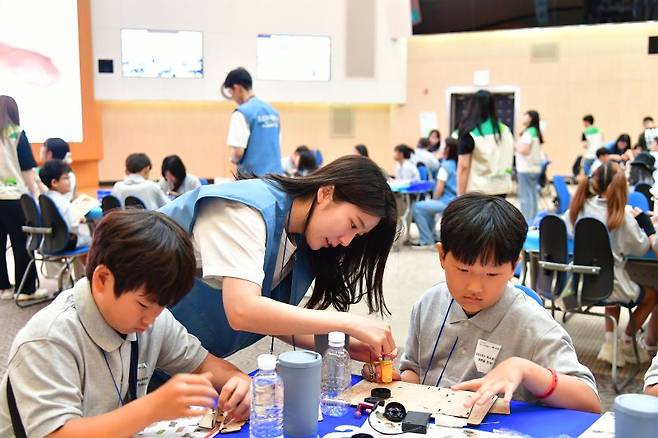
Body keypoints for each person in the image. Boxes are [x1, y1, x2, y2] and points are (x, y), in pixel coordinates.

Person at [0, 211, 251, 437]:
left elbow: (204, 364)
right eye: (143, 305)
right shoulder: (48, 339)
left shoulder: (152, 319)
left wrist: (239, 382)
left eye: (162, 306)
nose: (151, 319)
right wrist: (152, 408)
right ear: (102, 279)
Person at [362, 194, 600, 413]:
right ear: (442, 256)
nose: (474, 287)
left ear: (513, 267)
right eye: (463, 270)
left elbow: (590, 401)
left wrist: (525, 370)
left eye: (492, 274)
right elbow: (415, 370)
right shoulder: (429, 303)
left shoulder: (532, 324)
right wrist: (396, 382)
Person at [160, 156, 398, 362]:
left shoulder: (303, 239)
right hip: (138, 349)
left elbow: (276, 320)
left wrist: (350, 348)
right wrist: (348, 323)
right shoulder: (244, 212)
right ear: (326, 192)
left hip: (182, 360)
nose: (347, 241)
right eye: (353, 224)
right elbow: (243, 310)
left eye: (358, 235)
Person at [565, 162, 656, 366]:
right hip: (612, 285)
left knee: (610, 291)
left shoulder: (579, 207)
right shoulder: (622, 216)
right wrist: (644, 223)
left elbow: (567, 229)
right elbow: (641, 248)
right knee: (652, 295)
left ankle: (609, 343)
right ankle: (627, 340)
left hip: (582, 284)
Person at [0, 95, 47, 301]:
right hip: (15, 198)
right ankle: (26, 290)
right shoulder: (16, 133)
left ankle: (3, 289)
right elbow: (27, 168)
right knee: (22, 242)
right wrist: (35, 195)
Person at [222, 67, 282, 176]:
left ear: (237, 88)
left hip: (252, 181)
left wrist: (233, 159)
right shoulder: (273, 112)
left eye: (231, 92)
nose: (232, 98)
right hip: (277, 180)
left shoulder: (241, 113)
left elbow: (238, 152)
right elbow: (276, 145)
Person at [457, 90, 514, 197]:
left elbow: (463, 166)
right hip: (502, 187)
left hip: (478, 192)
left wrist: (460, 196)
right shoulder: (505, 130)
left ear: (473, 106)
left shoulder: (469, 132)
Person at [411, 138, 458, 248]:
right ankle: (433, 236)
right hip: (456, 200)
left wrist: (434, 199)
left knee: (417, 207)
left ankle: (426, 240)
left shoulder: (444, 166)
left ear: (447, 149)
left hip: (445, 201)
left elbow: (439, 189)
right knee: (427, 208)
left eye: (443, 146)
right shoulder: (457, 164)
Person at [39, 160, 91, 249]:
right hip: (65, 242)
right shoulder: (63, 203)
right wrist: (82, 222)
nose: (70, 181)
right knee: (93, 234)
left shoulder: (44, 198)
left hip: (48, 242)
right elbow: (73, 227)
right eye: (66, 178)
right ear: (54, 183)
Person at [515, 110, 544, 221]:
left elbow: (525, 150)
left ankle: (527, 221)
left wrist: (515, 145)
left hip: (526, 168)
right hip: (534, 168)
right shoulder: (535, 131)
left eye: (525, 116)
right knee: (532, 195)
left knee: (525, 197)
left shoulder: (528, 132)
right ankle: (533, 220)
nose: (523, 118)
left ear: (530, 118)